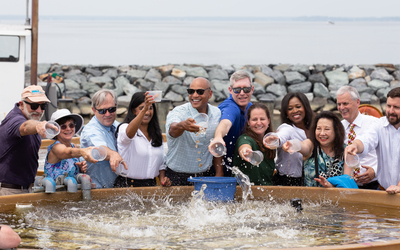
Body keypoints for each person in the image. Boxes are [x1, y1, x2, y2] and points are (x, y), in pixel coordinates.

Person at [165, 77, 223, 185]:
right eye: (191, 91)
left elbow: (216, 145)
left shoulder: (217, 113)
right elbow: (172, 130)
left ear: (210, 94)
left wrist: (219, 174)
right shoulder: (179, 112)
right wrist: (182, 125)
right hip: (177, 175)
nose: (195, 95)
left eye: (200, 92)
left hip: (206, 175)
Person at [345, 87, 400, 194]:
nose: (391, 111)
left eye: (396, 107)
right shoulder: (379, 124)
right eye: (389, 106)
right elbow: (365, 140)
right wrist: (355, 146)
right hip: (384, 192)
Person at [0, 85, 51, 196]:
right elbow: (25, 127)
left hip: (24, 188)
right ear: (22, 104)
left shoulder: (30, 118)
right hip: (8, 190)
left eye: (43, 106)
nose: (39, 110)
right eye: (33, 106)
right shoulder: (14, 120)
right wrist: (38, 126)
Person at [114, 92, 171, 187]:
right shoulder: (124, 128)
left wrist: (163, 179)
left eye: (150, 108)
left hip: (151, 185)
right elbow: (129, 134)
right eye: (142, 108)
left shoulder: (156, 134)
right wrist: (145, 109)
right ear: (133, 111)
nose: (147, 112)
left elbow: (161, 163)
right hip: (127, 185)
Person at [284, 111, 350, 187]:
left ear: (336, 131)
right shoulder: (311, 145)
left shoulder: (346, 150)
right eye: (318, 129)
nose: (322, 133)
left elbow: (346, 183)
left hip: (338, 197)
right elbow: (303, 146)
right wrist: (292, 144)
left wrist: (330, 186)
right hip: (310, 197)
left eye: (327, 129)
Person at [265, 92, 314, 186]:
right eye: (290, 108)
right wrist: (276, 140)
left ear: (306, 107)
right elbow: (282, 136)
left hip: (309, 181)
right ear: (285, 113)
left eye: (298, 106)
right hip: (286, 181)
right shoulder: (287, 128)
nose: (295, 111)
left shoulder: (315, 129)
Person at [210, 70, 254, 176]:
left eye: (246, 89)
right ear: (230, 90)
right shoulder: (230, 107)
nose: (242, 93)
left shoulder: (250, 107)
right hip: (220, 171)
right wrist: (218, 136)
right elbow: (225, 123)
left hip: (240, 167)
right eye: (237, 89)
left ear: (252, 89)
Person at [80, 89, 127, 188]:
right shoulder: (90, 130)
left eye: (111, 109)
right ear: (93, 110)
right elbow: (100, 149)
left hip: (119, 187)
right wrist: (113, 154)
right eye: (102, 111)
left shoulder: (119, 126)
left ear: (116, 107)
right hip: (97, 191)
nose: (107, 114)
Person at [336, 86, 379, 189]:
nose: (341, 108)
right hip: (346, 185)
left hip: (373, 185)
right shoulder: (337, 127)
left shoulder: (374, 123)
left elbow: (389, 154)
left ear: (357, 102)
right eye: (339, 104)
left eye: (345, 103)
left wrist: (375, 171)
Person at [44, 109, 96, 180]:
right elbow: (68, 152)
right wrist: (83, 151)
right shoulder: (56, 148)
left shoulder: (74, 146)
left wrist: (80, 168)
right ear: (55, 130)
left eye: (71, 125)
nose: (68, 129)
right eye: (63, 126)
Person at [233, 103, 275, 185]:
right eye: (254, 119)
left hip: (267, 192)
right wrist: (245, 151)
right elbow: (244, 145)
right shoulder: (245, 138)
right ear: (248, 122)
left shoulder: (271, 142)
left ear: (268, 121)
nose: (259, 123)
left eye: (262, 119)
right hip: (243, 193)